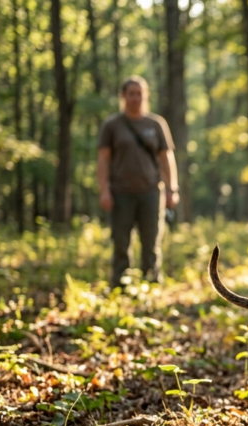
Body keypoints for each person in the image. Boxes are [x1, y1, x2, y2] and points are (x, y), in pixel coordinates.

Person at [96, 76, 179, 287]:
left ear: (145, 95)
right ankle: (120, 285)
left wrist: (172, 189)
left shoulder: (156, 123)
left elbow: (166, 158)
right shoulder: (112, 125)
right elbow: (103, 159)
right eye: (131, 93)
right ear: (123, 96)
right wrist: (104, 189)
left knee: (151, 242)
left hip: (150, 192)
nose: (135, 98)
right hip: (120, 192)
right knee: (121, 242)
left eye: (139, 93)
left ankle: (151, 283)